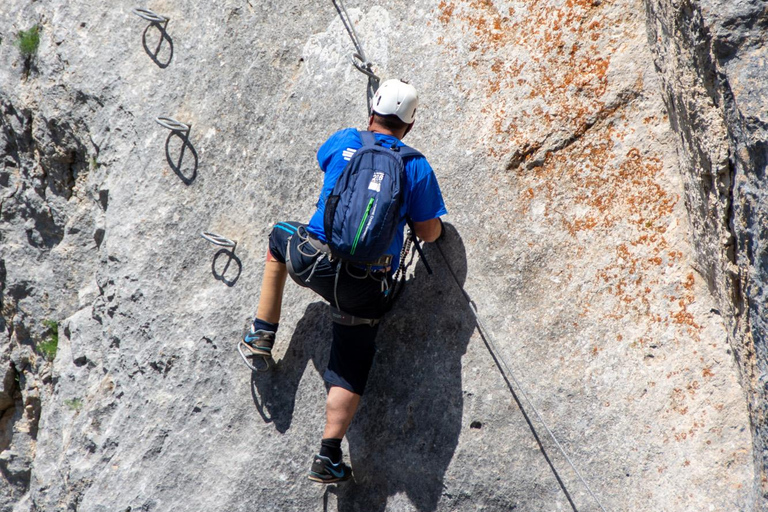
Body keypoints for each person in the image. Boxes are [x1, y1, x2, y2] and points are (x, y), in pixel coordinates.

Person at [241, 79, 447, 483]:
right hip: (363, 288)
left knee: (279, 235)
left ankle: (262, 333)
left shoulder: (343, 140)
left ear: (372, 110)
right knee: (351, 361)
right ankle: (327, 455)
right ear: (411, 124)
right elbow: (428, 233)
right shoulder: (415, 165)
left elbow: (325, 163)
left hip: (313, 262)